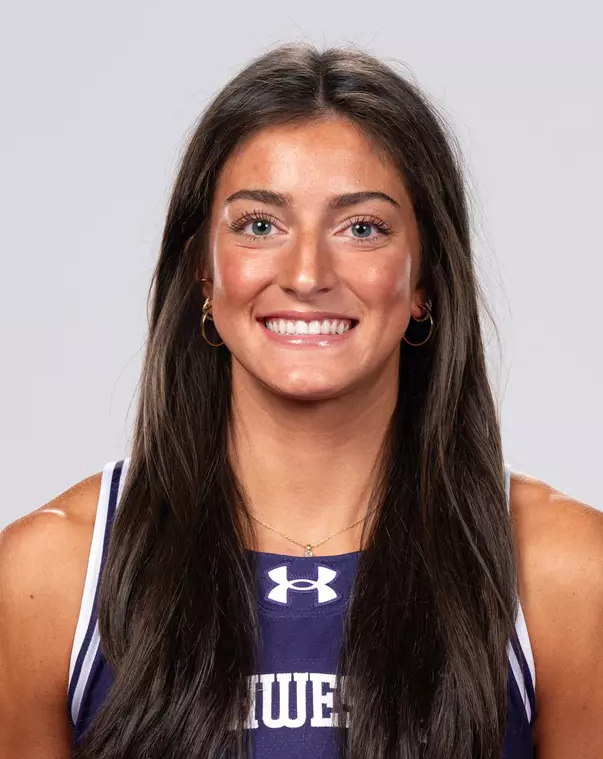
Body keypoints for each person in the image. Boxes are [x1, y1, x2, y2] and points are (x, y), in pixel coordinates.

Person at [1, 42, 602, 759]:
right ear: (202, 270)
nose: (307, 272)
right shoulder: (49, 580)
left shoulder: (564, 575)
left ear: (424, 280)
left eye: (361, 227)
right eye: (259, 224)